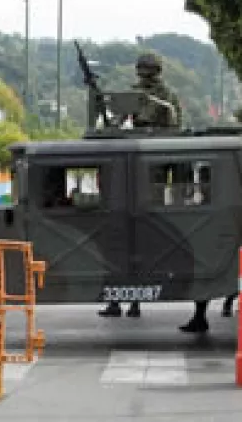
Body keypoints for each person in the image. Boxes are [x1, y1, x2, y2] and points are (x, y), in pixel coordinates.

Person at [99, 52, 182, 320]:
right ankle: (119, 302)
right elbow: (119, 119)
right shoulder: (137, 94)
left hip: (150, 166)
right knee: (121, 248)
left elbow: (173, 126)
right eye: (143, 70)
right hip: (136, 166)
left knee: (134, 248)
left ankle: (132, 302)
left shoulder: (165, 97)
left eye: (147, 70)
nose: (144, 74)